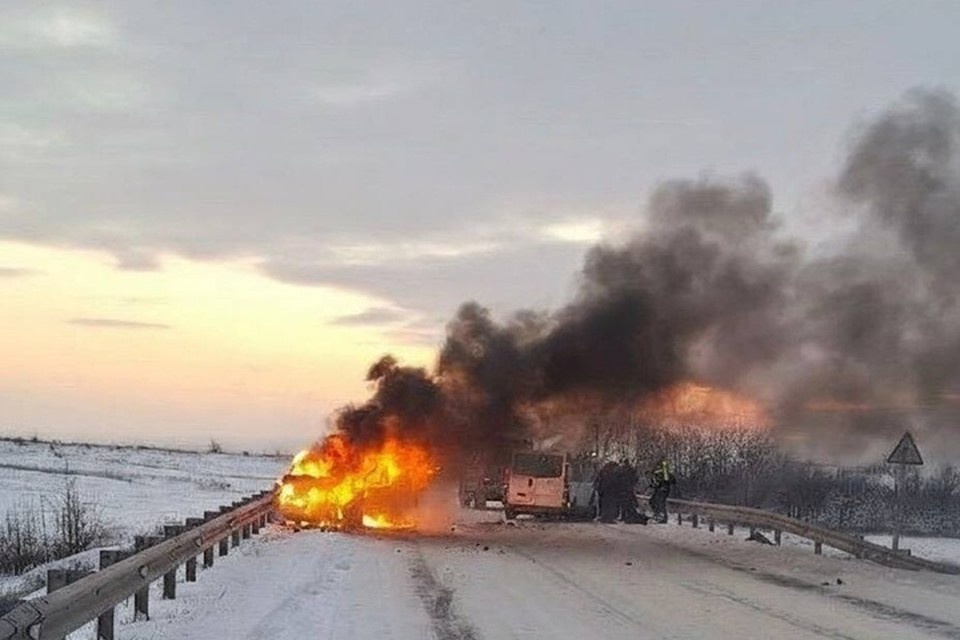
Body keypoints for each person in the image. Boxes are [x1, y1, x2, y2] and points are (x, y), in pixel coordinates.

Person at [649, 458, 676, 524]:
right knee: (653, 501)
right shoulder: (663, 472)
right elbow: (673, 481)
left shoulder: (661, 471)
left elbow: (661, 481)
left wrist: (657, 484)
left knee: (660, 503)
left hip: (662, 489)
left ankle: (662, 517)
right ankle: (659, 515)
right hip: (662, 489)